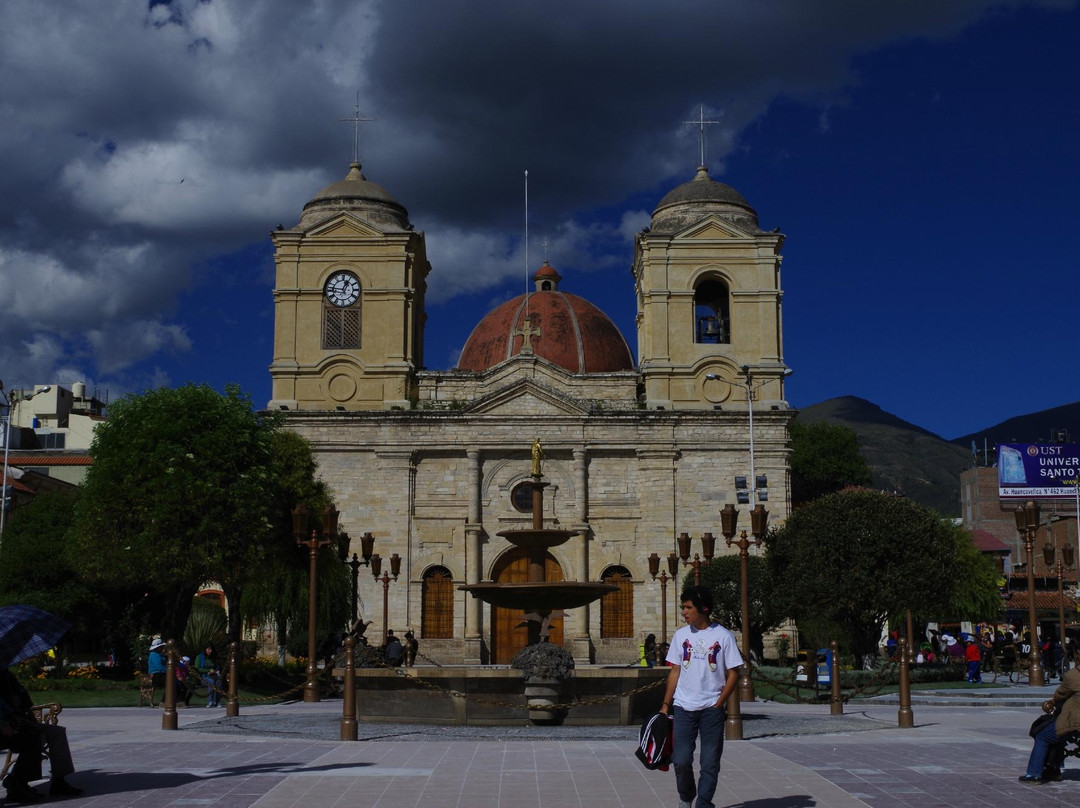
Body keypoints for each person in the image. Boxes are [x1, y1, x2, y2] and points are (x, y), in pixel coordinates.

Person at [659, 586, 743, 808]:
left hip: (711, 710)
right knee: (681, 760)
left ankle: (704, 803)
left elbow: (734, 672)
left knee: (709, 762)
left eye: (688, 607)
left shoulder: (723, 636)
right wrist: (666, 705)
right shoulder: (681, 635)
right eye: (683, 608)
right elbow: (675, 670)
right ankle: (686, 797)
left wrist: (720, 702)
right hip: (684, 707)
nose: (684, 612)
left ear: (703, 609)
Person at [0, 666, 81, 801]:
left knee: (57, 733)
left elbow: (24, 700)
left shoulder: (6, 675)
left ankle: (59, 780)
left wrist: (18, 701)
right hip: (7, 727)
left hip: (18, 721)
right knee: (32, 736)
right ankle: (17, 782)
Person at [1020, 652, 1080, 783]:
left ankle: (1034, 774)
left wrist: (1052, 702)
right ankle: (1052, 768)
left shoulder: (1074, 675)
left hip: (1075, 722)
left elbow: (1060, 695)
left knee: (1044, 736)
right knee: (1057, 732)